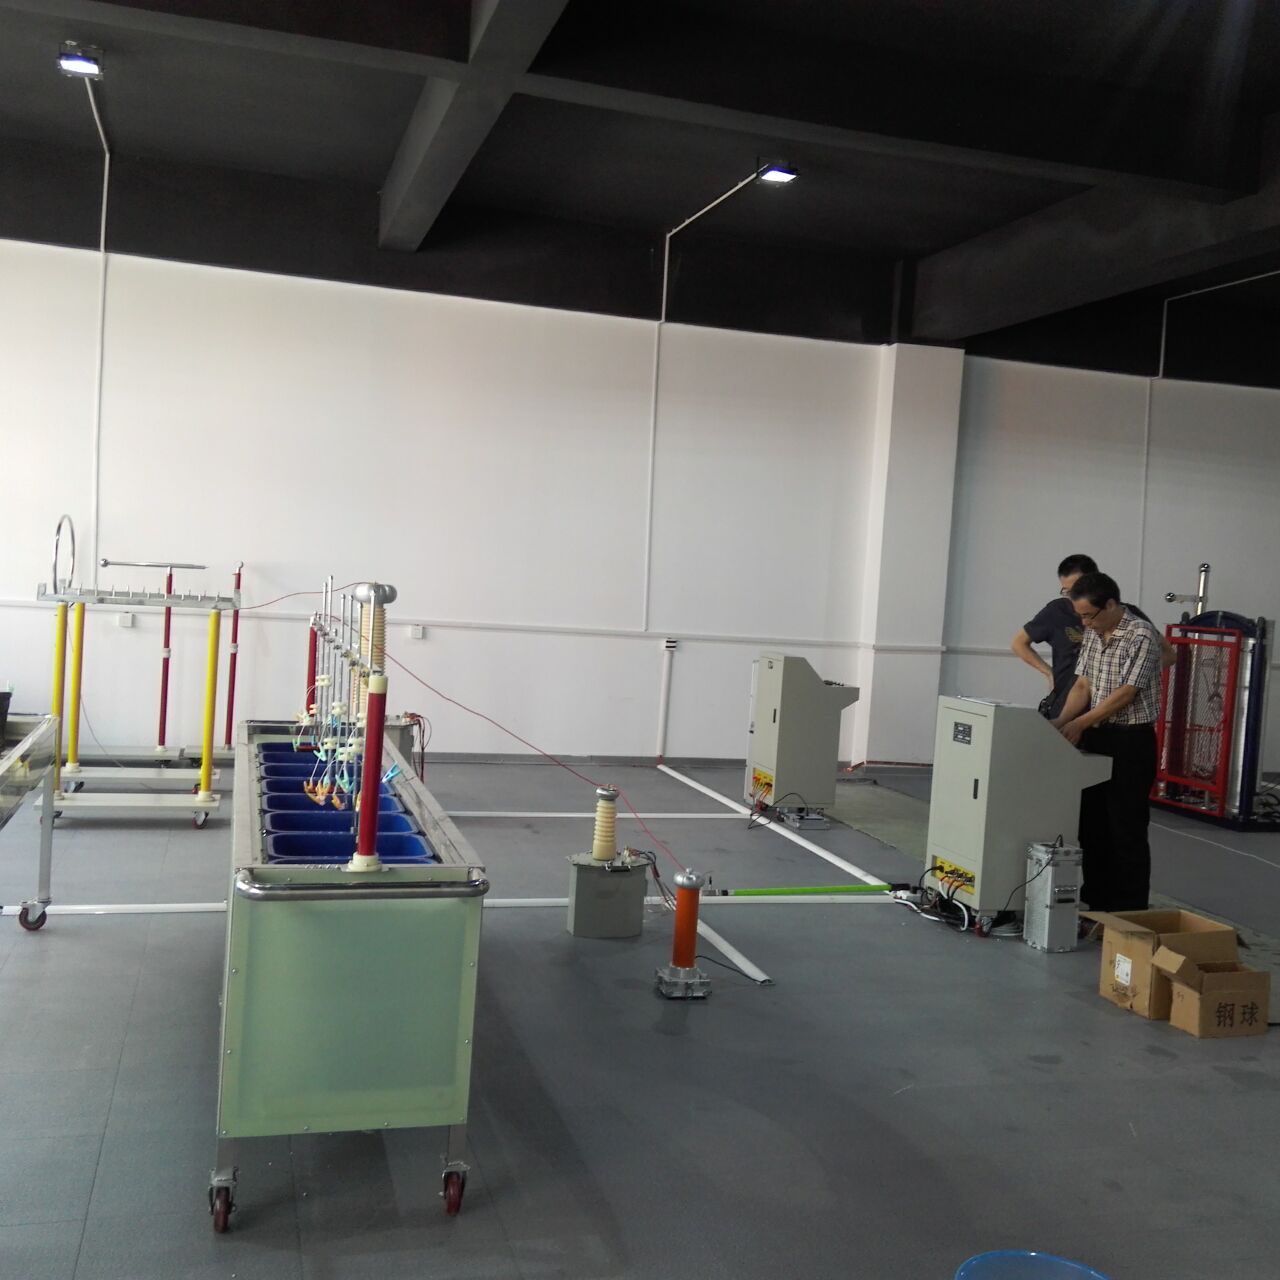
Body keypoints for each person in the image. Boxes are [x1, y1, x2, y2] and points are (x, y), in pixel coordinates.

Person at [1052, 572, 1163, 911]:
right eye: (1081, 616)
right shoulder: (1093, 633)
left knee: (1125, 827)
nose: (1085, 623)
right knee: (1092, 824)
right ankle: (1096, 902)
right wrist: (1061, 722)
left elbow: (1127, 693)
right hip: (1097, 736)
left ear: (1112, 604)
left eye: (1089, 615)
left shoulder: (1141, 634)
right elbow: (1083, 684)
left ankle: (1129, 910)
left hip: (1130, 741)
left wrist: (1081, 722)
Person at [1012, 554, 1173, 720]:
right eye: (1067, 592)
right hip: (1066, 705)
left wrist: (1133, 673)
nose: (1073, 598)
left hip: (1113, 713)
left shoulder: (1129, 618)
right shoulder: (1057, 611)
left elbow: (1168, 654)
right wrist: (1048, 672)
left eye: (1077, 589)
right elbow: (1018, 643)